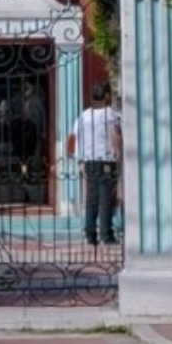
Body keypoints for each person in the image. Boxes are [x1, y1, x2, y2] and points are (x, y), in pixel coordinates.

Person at [65, 82, 122, 246]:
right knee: (106, 198)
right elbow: (116, 135)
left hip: (89, 161)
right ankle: (106, 234)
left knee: (91, 198)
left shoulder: (83, 115)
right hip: (106, 160)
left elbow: (73, 137)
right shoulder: (110, 114)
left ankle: (90, 235)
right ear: (106, 96)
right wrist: (119, 155)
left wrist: (77, 159)